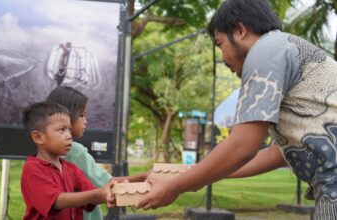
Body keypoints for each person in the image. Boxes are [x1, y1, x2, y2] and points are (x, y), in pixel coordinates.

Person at [136, 0, 337, 218]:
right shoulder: (286, 48)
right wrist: (195, 175)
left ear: (240, 31)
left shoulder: (266, 51)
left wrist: (175, 187)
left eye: (220, 44)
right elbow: (279, 152)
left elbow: (242, 146)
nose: (223, 58)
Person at [46, 86, 149, 220]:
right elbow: (107, 185)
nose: (85, 121)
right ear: (67, 116)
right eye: (82, 115)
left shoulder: (45, 153)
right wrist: (144, 177)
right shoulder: (74, 152)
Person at [20, 102, 115, 220]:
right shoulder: (32, 170)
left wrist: (114, 191)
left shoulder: (71, 169)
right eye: (61, 130)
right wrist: (99, 194)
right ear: (38, 137)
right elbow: (56, 201)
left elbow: (94, 193)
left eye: (69, 130)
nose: (69, 136)